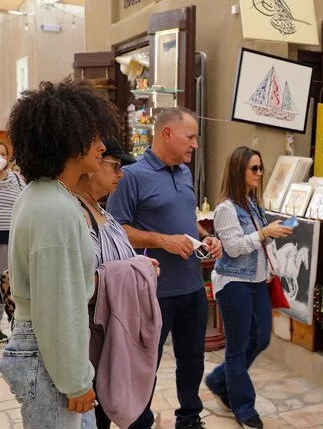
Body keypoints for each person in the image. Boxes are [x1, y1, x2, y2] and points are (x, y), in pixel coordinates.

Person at [0, 80, 118, 428]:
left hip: (42, 349)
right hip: (48, 353)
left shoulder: (41, 194)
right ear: (68, 139)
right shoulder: (55, 207)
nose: (102, 146)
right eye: (93, 137)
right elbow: (58, 306)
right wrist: (76, 381)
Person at [106, 106, 222, 429]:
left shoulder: (184, 173)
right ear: (167, 134)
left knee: (192, 362)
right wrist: (163, 241)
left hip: (192, 288)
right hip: (153, 292)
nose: (195, 145)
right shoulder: (131, 176)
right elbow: (115, 229)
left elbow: (185, 218)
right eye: (190, 137)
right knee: (145, 366)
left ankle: (189, 419)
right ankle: (138, 422)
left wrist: (205, 237)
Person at [74, 136, 159, 429]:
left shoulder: (105, 215)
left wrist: (143, 268)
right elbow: (79, 284)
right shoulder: (74, 215)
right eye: (115, 166)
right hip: (92, 345)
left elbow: (121, 262)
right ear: (92, 164)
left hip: (116, 338)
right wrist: (136, 272)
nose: (120, 174)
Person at [205, 146, 292, 429]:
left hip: (258, 282)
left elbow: (257, 242)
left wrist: (273, 231)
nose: (259, 173)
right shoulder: (225, 209)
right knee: (238, 348)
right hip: (234, 283)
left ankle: (219, 380)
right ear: (238, 170)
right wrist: (264, 232)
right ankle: (243, 408)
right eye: (253, 168)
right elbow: (233, 248)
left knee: (261, 338)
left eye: (261, 168)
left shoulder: (253, 204)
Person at [0, 141, 25, 342]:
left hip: (12, 238)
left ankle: (14, 325)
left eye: (3, 153)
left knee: (7, 284)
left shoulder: (17, 179)